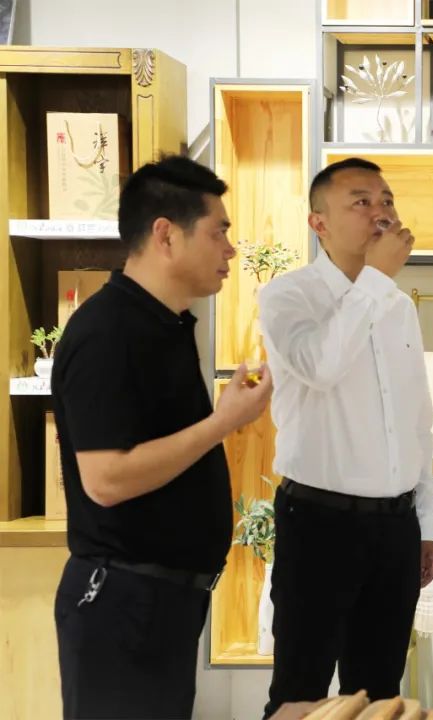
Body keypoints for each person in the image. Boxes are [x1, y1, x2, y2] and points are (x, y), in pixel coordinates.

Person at [51, 155, 273, 719]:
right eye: (218, 232)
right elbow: (106, 480)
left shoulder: (164, 325)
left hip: (162, 603)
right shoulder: (107, 332)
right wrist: (222, 422)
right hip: (121, 602)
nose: (230, 250)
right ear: (166, 235)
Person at [258, 157, 433, 719]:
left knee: (380, 692)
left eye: (387, 201)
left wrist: (426, 524)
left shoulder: (397, 307)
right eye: (361, 201)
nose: (380, 213)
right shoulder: (287, 296)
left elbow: (417, 420)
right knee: (300, 689)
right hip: (319, 522)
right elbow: (321, 366)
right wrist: (375, 281)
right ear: (319, 223)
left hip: (395, 526)